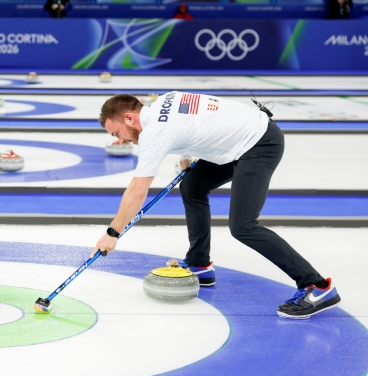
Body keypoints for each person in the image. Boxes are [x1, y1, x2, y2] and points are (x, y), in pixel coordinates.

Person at [94, 92, 340, 320]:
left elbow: (138, 191)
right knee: (192, 186)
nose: (120, 141)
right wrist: (185, 158)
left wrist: (113, 232)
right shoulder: (162, 102)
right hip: (237, 143)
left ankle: (316, 286)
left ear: (129, 117)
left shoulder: (154, 132)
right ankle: (200, 264)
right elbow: (193, 119)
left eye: (117, 133)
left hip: (259, 143)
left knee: (243, 226)